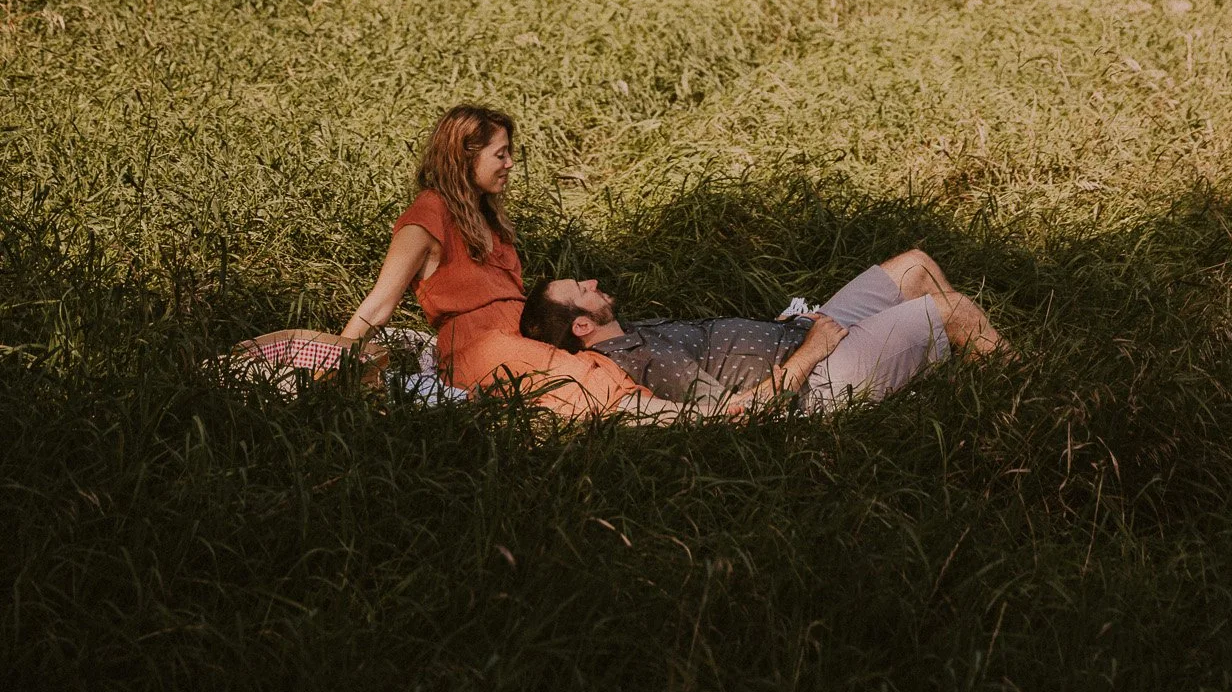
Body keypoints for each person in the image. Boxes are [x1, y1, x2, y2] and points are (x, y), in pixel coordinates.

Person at [338, 104, 688, 423]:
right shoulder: (426, 216)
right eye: (500, 154)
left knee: (599, 363)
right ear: (465, 157)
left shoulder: (484, 215)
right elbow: (380, 303)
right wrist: (330, 364)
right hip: (478, 346)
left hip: (520, 334)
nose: (510, 164)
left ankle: (699, 406)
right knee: (577, 381)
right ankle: (696, 417)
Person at [520, 246, 1006, 413]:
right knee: (951, 309)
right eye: (581, 289)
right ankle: (1023, 389)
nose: (592, 281)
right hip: (820, 379)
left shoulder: (635, 330)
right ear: (582, 324)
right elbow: (738, 416)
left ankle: (965, 375)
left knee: (914, 266)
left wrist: (780, 330)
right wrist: (809, 351)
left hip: (802, 333)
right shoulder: (644, 361)